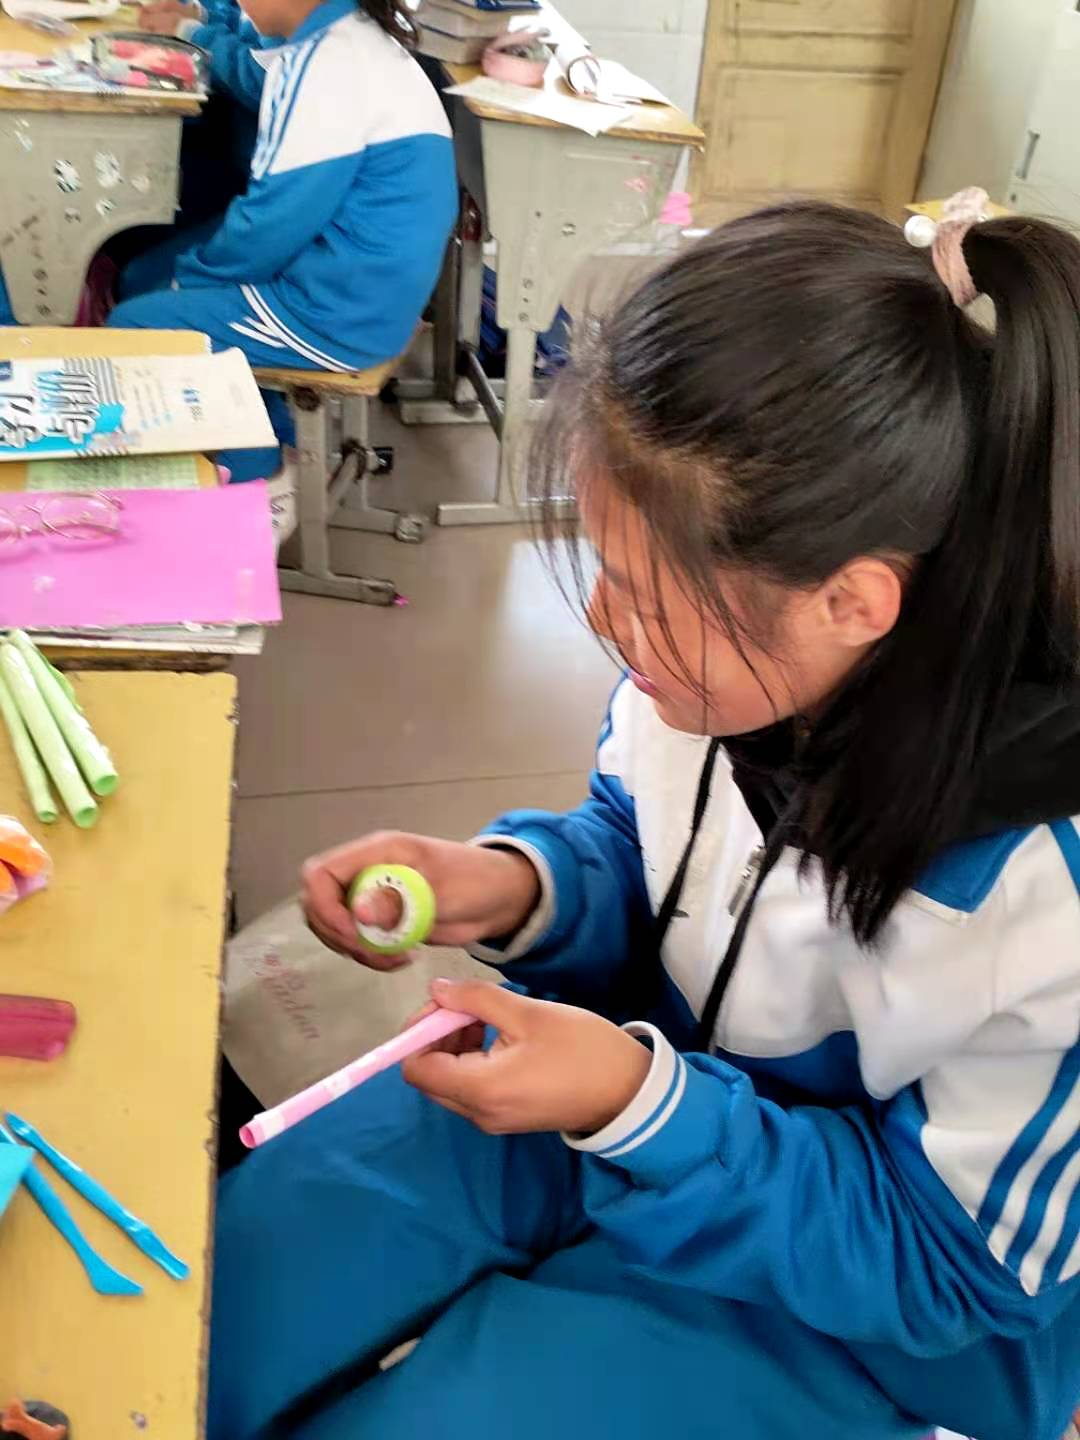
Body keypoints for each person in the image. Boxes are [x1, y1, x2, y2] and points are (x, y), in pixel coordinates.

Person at [207, 197, 1080, 1440]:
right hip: (651, 1105)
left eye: (648, 599)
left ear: (853, 603)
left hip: (868, 1307)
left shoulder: (1042, 898)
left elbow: (950, 1267)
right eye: (606, 572)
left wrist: (638, 1104)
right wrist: (518, 886)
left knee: (456, 1414)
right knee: (258, 1259)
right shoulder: (719, 675)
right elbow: (644, 849)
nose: (610, 626)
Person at [107, 0, 457, 477]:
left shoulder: (322, 66)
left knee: (135, 326)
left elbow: (270, 225)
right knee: (144, 279)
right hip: (358, 284)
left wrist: (189, 279)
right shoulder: (349, 37)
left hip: (339, 312)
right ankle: (276, 436)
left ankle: (251, 478)